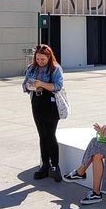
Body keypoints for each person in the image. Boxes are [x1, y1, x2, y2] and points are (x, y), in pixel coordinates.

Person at [22, 44, 64, 181]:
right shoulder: (31, 68)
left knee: (50, 134)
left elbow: (58, 86)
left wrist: (41, 84)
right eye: (38, 59)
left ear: (49, 57)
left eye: (43, 59)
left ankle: (55, 165)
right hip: (37, 102)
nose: (40, 62)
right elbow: (24, 85)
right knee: (42, 134)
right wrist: (30, 85)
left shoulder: (55, 69)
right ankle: (45, 164)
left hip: (51, 104)